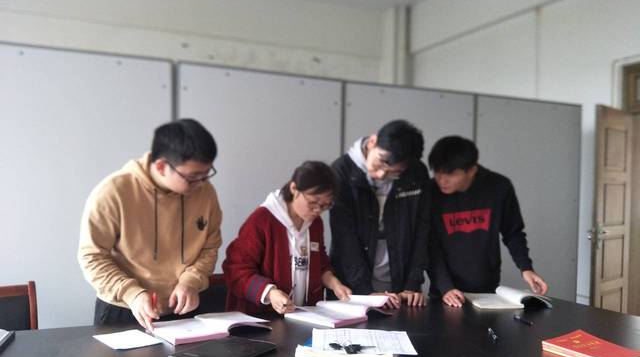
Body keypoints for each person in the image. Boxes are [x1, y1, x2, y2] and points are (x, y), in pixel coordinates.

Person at [78, 119, 222, 329]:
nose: (201, 183)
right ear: (162, 166)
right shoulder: (113, 192)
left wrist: (191, 281)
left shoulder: (205, 192)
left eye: (206, 174)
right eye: (192, 177)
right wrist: (131, 293)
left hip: (185, 306)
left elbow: (210, 247)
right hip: (125, 308)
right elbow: (92, 257)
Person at [427, 135, 548, 307]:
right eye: (437, 173)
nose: (442, 180)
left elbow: (513, 233)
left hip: (486, 290)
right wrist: (445, 287)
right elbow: (430, 246)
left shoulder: (498, 187)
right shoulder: (431, 192)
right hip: (444, 292)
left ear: (471, 170)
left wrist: (526, 268)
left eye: (451, 174)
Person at [223, 161, 352, 315]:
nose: (317, 210)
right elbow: (235, 269)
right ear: (294, 189)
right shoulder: (262, 220)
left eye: (325, 205)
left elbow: (320, 263)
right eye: (313, 203)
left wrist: (334, 284)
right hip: (262, 318)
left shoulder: (315, 223)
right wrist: (270, 293)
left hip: (303, 315)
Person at [330, 120, 430, 308]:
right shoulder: (342, 172)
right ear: (372, 142)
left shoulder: (416, 173)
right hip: (352, 286)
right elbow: (344, 238)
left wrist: (412, 284)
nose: (381, 174)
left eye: (394, 172)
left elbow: (422, 231)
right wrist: (365, 292)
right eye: (380, 163)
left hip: (401, 284)